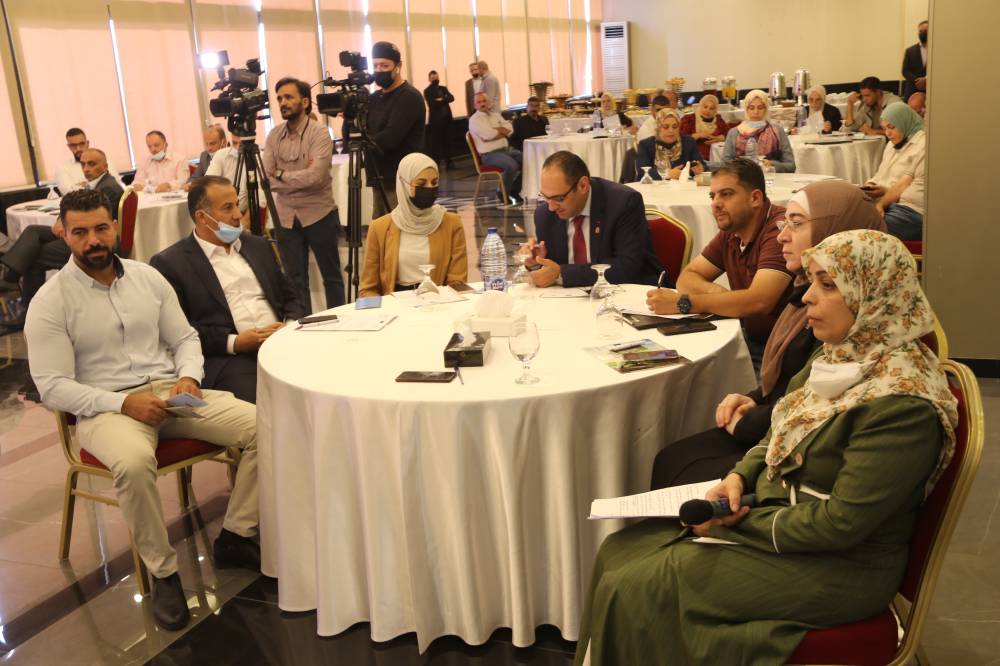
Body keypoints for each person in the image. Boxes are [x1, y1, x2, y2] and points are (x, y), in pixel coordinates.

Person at [574, 229, 957, 665]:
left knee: (640, 585)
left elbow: (841, 525)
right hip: (783, 523)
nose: (807, 297)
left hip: (841, 566)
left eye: (828, 285)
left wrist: (735, 525)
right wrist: (737, 477)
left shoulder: (902, 406)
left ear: (875, 295)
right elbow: (780, 429)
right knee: (617, 551)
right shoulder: (842, 355)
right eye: (811, 282)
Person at [25, 188, 263, 632]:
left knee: (264, 427)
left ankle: (236, 534)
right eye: (80, 233)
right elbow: (52, 386)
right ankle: (164, 573)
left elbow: (185, 338)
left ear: (115, 227)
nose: (93, 240)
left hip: (172, 393)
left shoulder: (146, 278)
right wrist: (123, 403)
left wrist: (189, 376)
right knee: (134, 463)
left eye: (101, 228)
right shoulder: (50, 302)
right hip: (106, 409)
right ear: (63, 234)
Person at [649, 181, 886, 489]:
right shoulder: (805, 288)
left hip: (805, 447)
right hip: (778, 421)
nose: (782, 235)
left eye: (796, 224)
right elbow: (792, 384)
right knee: (670, 459)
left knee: (682, 473)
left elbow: (818, 405)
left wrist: (748, 422)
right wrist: (754, 398)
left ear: (836, 231)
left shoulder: (849, 311)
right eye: (784, 223)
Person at [150, 176, 304, 404]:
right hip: (230, 357)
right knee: (262, 403)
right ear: (202, 217)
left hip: (283, 340)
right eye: (227, 208)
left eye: (237, 205)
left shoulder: (257, 246)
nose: (238, 215)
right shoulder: (171, 264)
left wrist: (289, 326)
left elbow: (291, 295)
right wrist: (235, 342)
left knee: (326, 376)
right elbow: (180, 330)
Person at [647, 158, 792, 368]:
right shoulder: (733, 229)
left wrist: (683, 303)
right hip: (747, 338)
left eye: (726, 194)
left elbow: (759, 301)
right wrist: (720, 295)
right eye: (712, 196)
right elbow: (687, 277)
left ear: (755, 198)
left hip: (778, 353)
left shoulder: (780, 230)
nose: (716, 203)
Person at [0, 148, 125, 328]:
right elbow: (75, 206)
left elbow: (89, 219)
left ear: (105, 166)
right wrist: (61, 220)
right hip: (79, 231)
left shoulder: (108, 188)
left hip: (94, 241)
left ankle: (29, 312)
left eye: (92, 164)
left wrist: (67, 225)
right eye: (83, 164)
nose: (86, 168)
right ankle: (10, 276)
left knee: (33, 257)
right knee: (33, 230)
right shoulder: (95, 184)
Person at [263, 76, 345, 312]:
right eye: (279, 98)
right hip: (286, 218)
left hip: (319, 213)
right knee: (294, 280)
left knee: (331, 276)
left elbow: (316, 177)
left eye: (289, 97)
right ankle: (303, 323)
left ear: (305, 102)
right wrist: (295, 177)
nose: (283, 103)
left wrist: (281, 174)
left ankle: (340, 321)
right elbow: (266, 179)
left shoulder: (319, 133)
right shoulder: (273, 135)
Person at [525, 151, 663, 288]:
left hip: (627, 292)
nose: (551, 207)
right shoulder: (544, 215)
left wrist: (561, 273)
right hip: (567, 297)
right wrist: (536, 263)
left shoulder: (623, 203)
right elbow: (550, 270)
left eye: (559, 198)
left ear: (583, 186)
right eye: (545, 197)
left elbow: (627, 267)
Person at [359, 154, 468, 296]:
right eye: (421, 184)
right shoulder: (380, 227)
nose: (430, 188)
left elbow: (458, 282)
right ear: (404, 185)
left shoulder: (451, 223)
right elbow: (368, 289)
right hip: (395, 304)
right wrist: (383, 309)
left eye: (434, 182)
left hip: (439, 301)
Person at [367, 41, 427, 218]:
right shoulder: (374, 98)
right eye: (375, 66)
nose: (379, 70)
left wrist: (366, 142)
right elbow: (359, 134)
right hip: (378, 176)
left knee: (400, 228)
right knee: (381, 229)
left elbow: (391, 138)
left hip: (401, 178)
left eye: (385, 65)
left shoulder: (409, 96)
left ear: (398, 66)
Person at [860, 102, 926, 241]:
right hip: (884, 201)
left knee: (862, 226)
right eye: (884, 128)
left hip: (903, 206)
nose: (887, 133)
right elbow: (881, 173)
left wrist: (884, 193)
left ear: (904, 122)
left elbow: (907, 187)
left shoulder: (923, 145)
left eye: (892, 127)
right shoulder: (891, 144)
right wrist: (871, 185)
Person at [720, 90, 795, 173]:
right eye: (751, 108)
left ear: (766, 109)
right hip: (742, 178)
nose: (756, 112)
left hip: (772, 178)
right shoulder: (734, 133)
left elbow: (791, 166)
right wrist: (742, 167)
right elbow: (725, 164)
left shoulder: (777, 131)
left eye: (760, 108)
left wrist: (772, 164)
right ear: (746, 109)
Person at [468, 91, 522, 204]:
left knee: (528, 161)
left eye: (484, 101)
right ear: (475, 105)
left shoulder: (495, 115)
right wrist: (501, 131)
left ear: (489, 102)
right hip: (489, 155)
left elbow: (510, 129)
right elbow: (488, 135)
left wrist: (495, 132)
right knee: (512, 165)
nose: (482, 104)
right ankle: (502, 192)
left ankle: (514, 189)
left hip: (506, 150)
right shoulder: (474, 120)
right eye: (479, 102)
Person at [637, 108, 705, 180]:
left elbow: (703, 166)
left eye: (675, 127)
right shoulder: (646, 145)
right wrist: (668, 174)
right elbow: (642, 172)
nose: (671, 130)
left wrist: (700, 169)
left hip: (683, 185)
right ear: (658, 128)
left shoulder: (688, 142)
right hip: (656, 186)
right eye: (665, 127)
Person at [54, 128, 121, 195]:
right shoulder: (62, 168)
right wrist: (91, 185)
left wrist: (84, 185)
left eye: (82, 144)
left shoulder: (105, 162)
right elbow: (69, 193)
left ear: (87, 143)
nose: (78, 148)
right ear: (69, 147)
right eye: (73, 145)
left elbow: (116, 184)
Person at [679, 94, 729, 160]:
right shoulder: (689, 119)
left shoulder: (719, 120)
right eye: (705, 107)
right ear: (700, 106)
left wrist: (718, 138)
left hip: (716, 156)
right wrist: (698, 135)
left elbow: (728, 135)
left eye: (711, 108)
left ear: (715, 110)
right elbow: (681, 139)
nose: (708, 110)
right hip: (694, 157)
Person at [424, 70, 455, 169]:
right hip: (436, 122)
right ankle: (435, 165)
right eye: (433, 78)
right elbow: (432, 104)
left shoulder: (443, 88)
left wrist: (441, 99)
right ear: (429, 79)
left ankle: (449, 163)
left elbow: (451, 98)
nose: (435, 79)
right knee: (435, 144)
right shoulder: (427, 91)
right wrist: (444, 99)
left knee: (447, 142)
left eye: (436, 77)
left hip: (447, 119)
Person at [902, 20, 929, 101]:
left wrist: (926, 79)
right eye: (921, 31)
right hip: (912, 91)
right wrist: (917, 80)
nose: (923, 33)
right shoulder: (910, 51)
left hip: (930, 90)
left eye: (926, 31)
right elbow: (905, 70)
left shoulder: (937, 51)